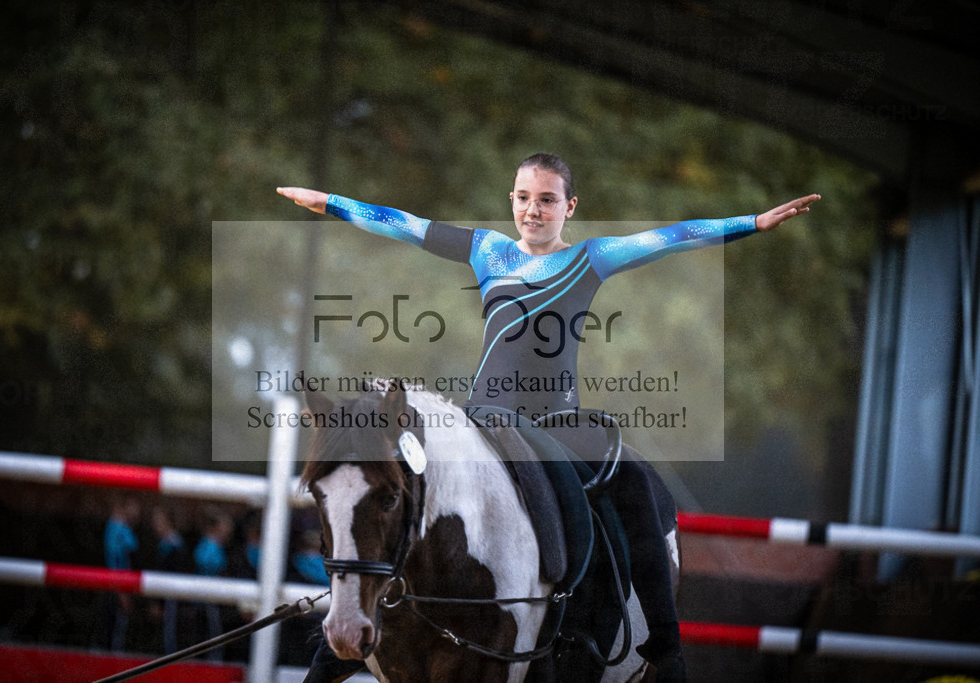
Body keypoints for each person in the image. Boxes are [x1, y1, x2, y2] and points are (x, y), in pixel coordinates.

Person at [278, 154, 819, 681]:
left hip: (558, 422)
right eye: (522, 198)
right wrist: (330, 203)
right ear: (510, 201)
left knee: (635, 481)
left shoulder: (592, 257)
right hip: (484, 419)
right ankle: (349, 641)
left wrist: (753, 222)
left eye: (546, 200)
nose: (532, 210)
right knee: (397, 492)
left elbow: (675, 236)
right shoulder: (488, 251)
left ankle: (666, 647)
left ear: (569, 206)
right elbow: (405, 224)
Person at [193, 508, 234, 661]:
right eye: (226, 526)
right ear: (216, 527)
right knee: (211, 636)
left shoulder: (216, 546)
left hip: (213, 600)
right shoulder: (208, 547)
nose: (229, 531)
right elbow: (208, 567)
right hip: (208, 601)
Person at [103, 495, 141, 652]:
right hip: (115, 583)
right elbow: (117, 560)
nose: (137, 512)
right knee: (114, 627)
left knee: (113, 627)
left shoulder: (116, 528)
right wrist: (121, 592)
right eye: (134, 507)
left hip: (117, 582)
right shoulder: (119, 529)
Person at [150, 505, 186, 654]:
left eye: (158, 521)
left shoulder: (175, 546)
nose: (154, 525)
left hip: (171, 598)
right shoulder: (162, 544)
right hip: (162, 594)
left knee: (170, 633)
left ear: (167, 522)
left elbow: (172, 575)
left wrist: (161, 602)